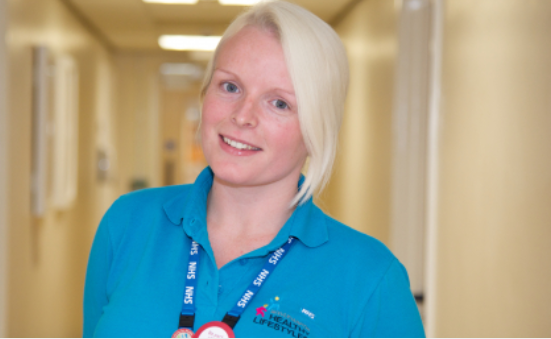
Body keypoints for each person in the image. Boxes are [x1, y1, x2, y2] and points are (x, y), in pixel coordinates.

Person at [83, 1, 425, 337]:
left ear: (316, 130)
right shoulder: (127, 225)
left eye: (279, 103)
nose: (243, 116)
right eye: (230, 86)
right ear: (205, 95)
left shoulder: (370, 280)